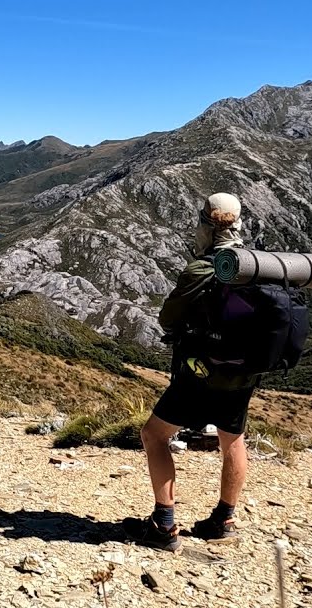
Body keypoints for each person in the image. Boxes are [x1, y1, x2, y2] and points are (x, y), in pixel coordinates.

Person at [123, 192, 256, 551]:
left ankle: (164, 526)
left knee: (154, 435)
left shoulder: (203, 268)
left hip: (199, 373)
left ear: (205, 225)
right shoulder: (257, 266)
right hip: (244, 373)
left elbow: (168, 317)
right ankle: (223, 521)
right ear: (239, 224)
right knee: (233, 438)